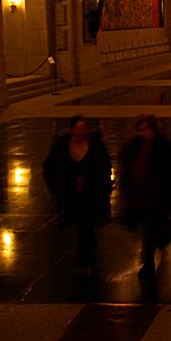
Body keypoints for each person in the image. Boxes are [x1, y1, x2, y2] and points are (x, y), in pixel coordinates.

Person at [42, 115, 113, 277]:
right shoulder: (61, 148)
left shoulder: (95, 147)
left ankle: (83, 262)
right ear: (71, 129)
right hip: (71, 195)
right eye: (78, 129)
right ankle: (89, 246)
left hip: (91, 195)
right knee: (84, 226)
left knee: (85, 227)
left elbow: (105, 166)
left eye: (83, 129)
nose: (81, 132)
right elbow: (49, 167)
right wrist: (55, 188)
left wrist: (105, 185)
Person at [117, 114, 171, 281]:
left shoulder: (164, 147)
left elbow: (170, 175)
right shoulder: (133, 146)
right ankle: (156, 246)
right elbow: (126, 167)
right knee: (146, 230)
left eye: (146, 129)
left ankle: (148, 264)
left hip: (156, 198)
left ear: (153, 129)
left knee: (149, 232)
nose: (143, 133)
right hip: (138, 197)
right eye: (140, 130)